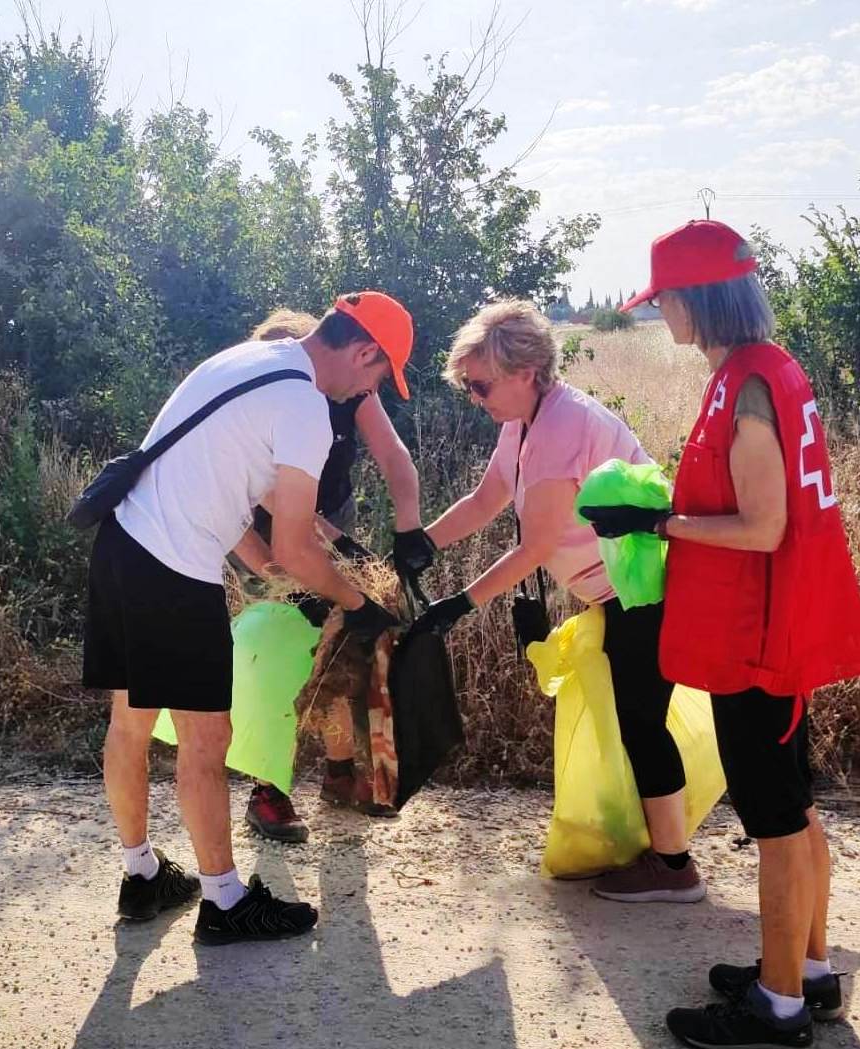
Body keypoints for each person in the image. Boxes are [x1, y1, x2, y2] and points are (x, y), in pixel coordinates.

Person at [582, 221, 860, 1049]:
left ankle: (778, 1010)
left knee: (777, 819)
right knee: (796, 800)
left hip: (760, 635)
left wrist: (658, 522)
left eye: (664, 299)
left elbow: (764, 524)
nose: (660, 314)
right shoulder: (759, 371)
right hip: (768, 627)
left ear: (695, 297)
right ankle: (807, 969)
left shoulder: (751, 384)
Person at [82, 292, 411, 945]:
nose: (366, 391)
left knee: (131, 725)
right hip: (173, 572)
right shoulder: (307, 407)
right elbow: (293, 546)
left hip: (121, 545)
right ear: (365, 350)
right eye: (378, 376)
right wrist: (356, 603)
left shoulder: (249, 360)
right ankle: (227, 903)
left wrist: (277, 570)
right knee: (208, 741)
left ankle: (141, 872)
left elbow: (232, 483)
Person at [406, 299, 707, 903]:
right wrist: (421, 543)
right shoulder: (526, 422)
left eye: (481, 384)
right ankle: (655, 848)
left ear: (526, 371)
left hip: (645, 596)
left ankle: (674, 868)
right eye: (468, 386)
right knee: (630, 720)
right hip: (621, 595)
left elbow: (536, 545)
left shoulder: (561, 426)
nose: (475, 397)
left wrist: (458, 606)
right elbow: (490, 496)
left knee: (641, 724)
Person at [233, 308, 435, 841]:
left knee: (347, 644)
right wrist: (341, 561)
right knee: (274, 652)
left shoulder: (353, 387)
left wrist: (410, 531)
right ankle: (266, 790)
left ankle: (341, 773)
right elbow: (282, 509)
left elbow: (396, 459)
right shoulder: (269, 397)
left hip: (331, 517)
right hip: (262, 532)